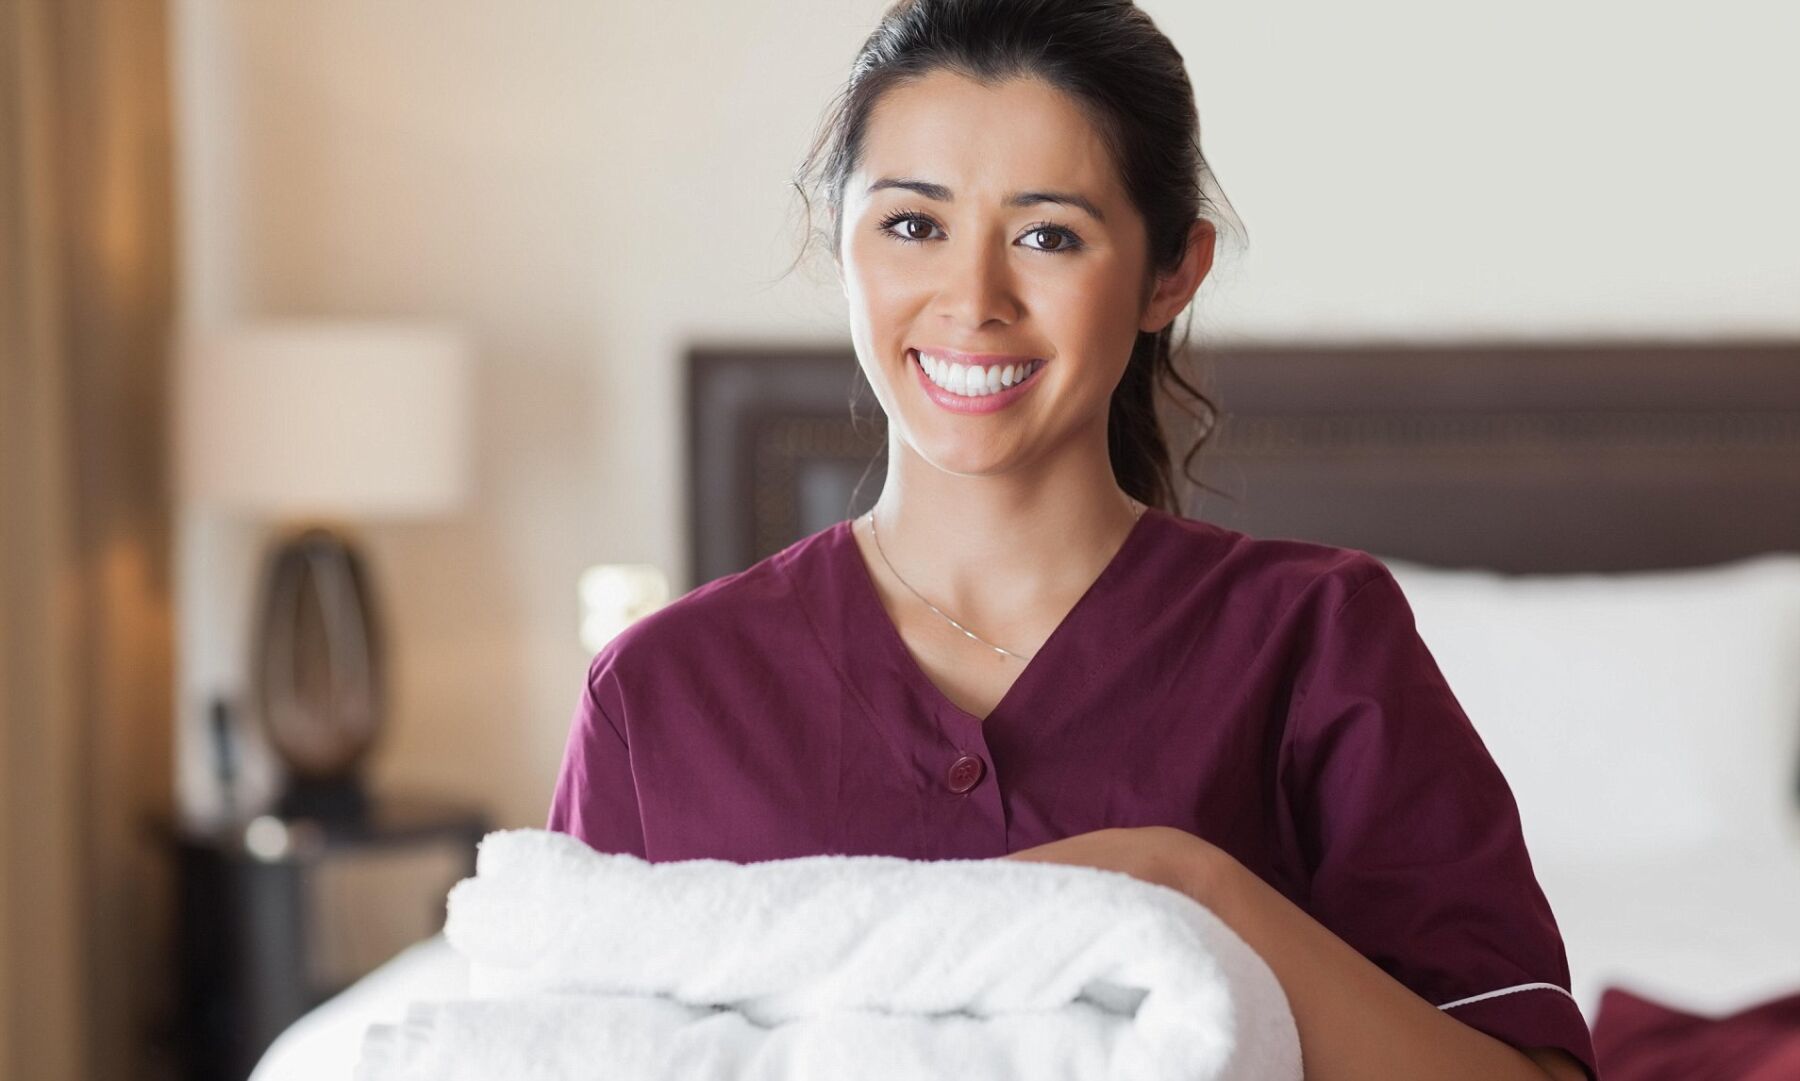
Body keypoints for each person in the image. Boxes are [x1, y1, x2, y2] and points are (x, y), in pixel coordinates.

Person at [548, 2, 1596, 1078]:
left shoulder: (1316, 638)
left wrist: (1189, 889)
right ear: (837, 236)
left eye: (1049, 235)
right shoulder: (658, 694)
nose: (973, 299)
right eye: (914, 224)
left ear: (1171, 273)